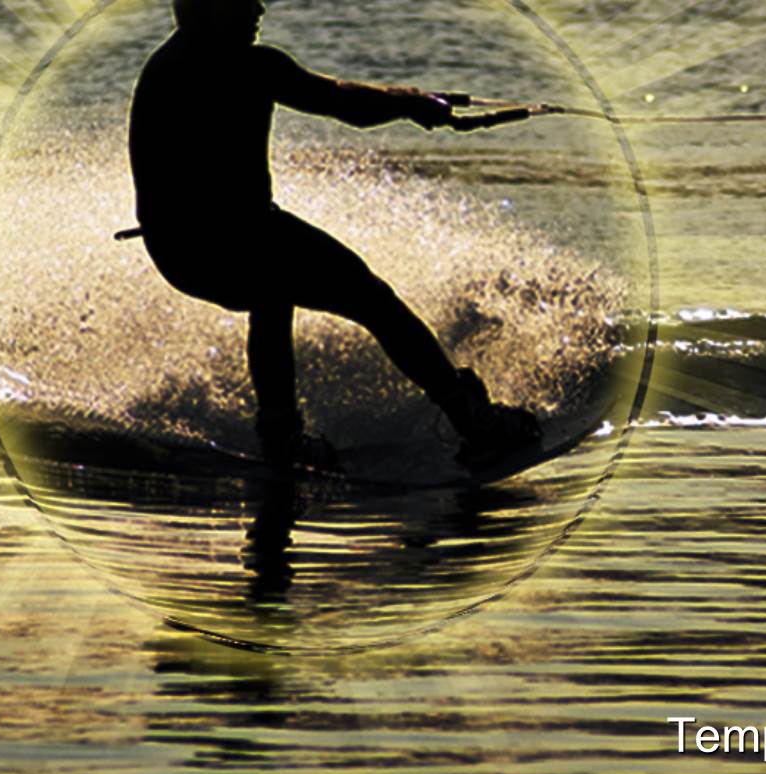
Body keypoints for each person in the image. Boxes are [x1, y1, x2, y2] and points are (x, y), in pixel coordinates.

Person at [127, 0, 540, 470]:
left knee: (287, 287)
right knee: (343, 293)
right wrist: (408, 103)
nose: (259, 7)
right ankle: (470, 421)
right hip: (222, 238)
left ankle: (282, 434)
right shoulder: (246, 66)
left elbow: (339, 97)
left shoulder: (165, 65)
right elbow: (340, 101)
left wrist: (409, 101)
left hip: (181, 248)